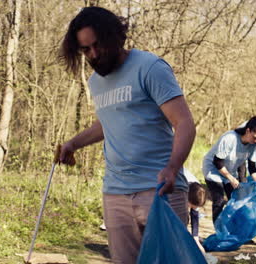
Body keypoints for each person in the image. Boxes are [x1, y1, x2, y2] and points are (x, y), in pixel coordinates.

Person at [58, 7, 196, 264]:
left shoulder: (150, 67)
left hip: (159, 190)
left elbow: (184, 122)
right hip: (115, 193)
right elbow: (107, 124)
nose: (94, 55)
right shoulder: (95, 83)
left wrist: (172, 167)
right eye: (86, 50)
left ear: (115, 37)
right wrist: (72, 144)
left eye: (98, 45)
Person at [202, 116, 256, 225]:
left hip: (229, 171)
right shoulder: (230, 138)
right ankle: (220, 232)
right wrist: (231, 178)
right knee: (219, 201)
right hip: (213, 170)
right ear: (248, 130)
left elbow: (252, 166)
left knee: (237, 200)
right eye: (254, 137)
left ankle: (236, 232)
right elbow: (217, 161)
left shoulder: (253, 146)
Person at [188, 182, 207, 253]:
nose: (194, 208)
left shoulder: (199, 194)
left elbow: (195, 217)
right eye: (192, 206)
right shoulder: (180, 193)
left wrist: (195, 239)